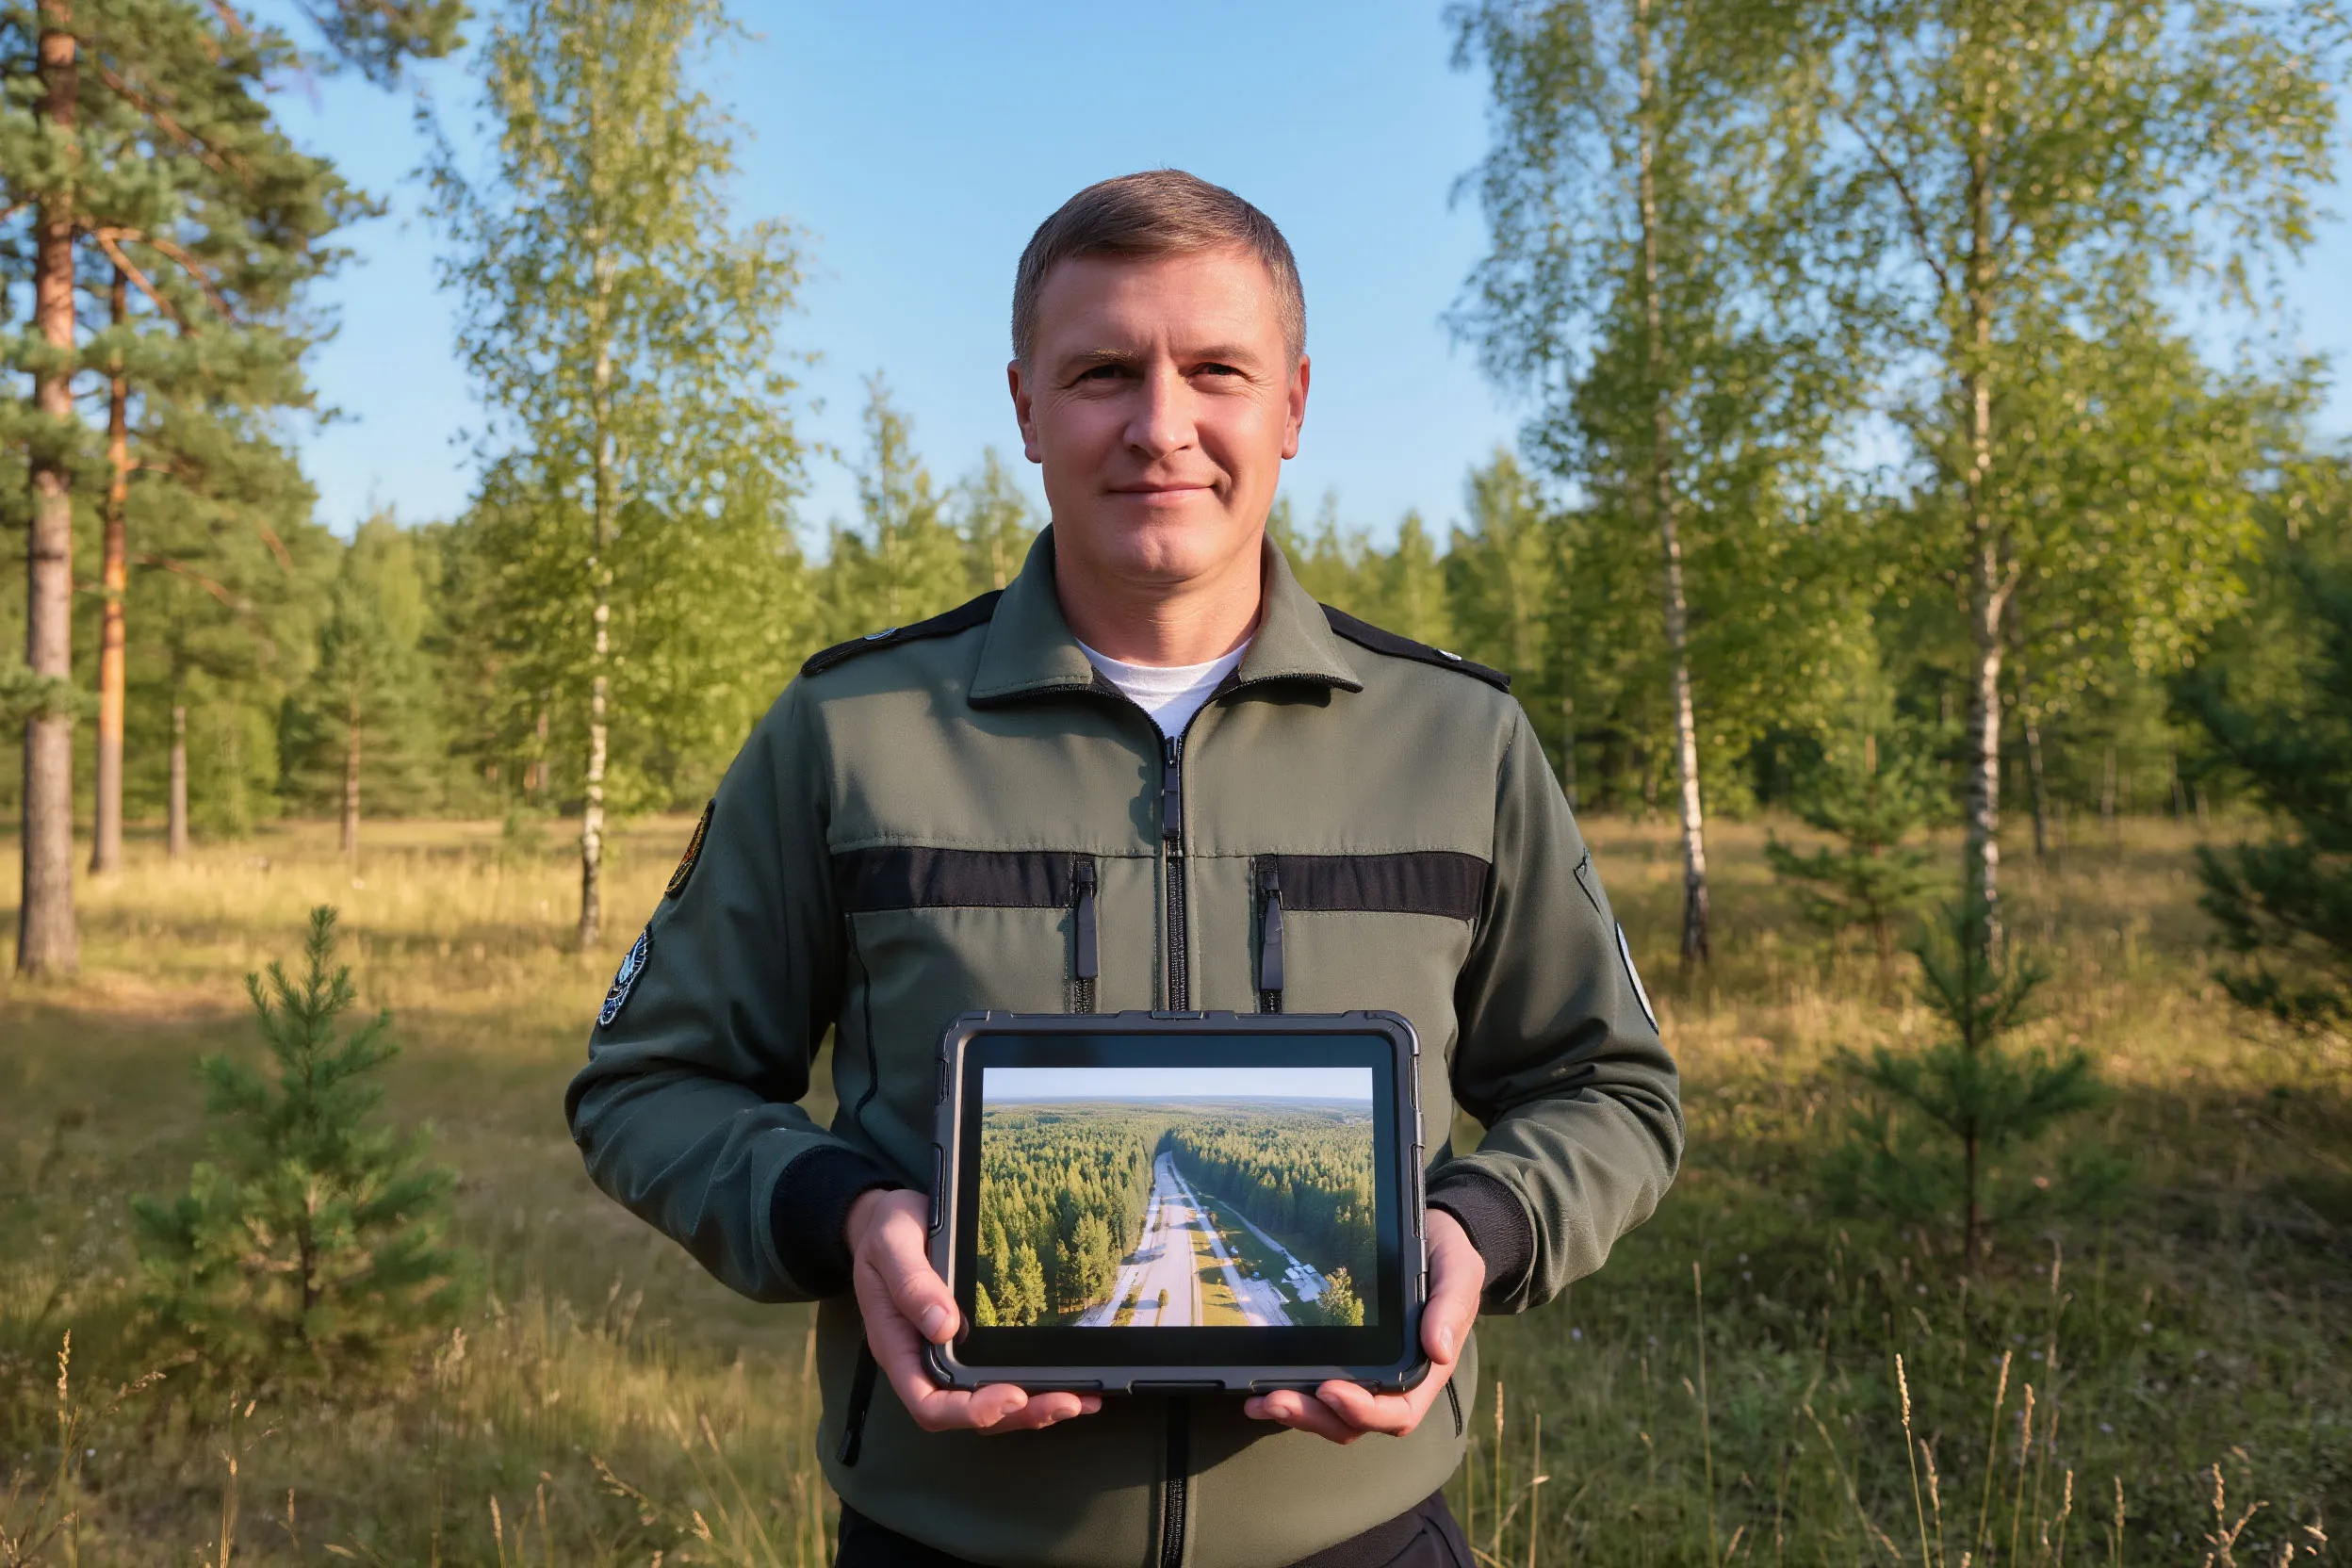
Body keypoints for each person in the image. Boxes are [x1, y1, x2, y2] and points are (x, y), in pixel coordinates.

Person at [566, 170, 1683, 1568]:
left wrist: (1486, 1226)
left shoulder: (1460, 741)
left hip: (1355, 1534)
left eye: (1217, 369)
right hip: (951, 1537)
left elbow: (1611, 1088)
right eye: (1103, 371)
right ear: (1028, 406)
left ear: (1294, 404)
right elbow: (647, 1084)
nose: (1162, 426)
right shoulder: (849, 734)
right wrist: (841, 1214)